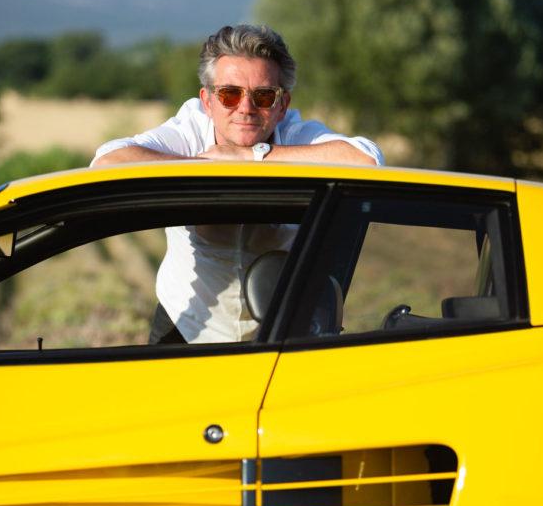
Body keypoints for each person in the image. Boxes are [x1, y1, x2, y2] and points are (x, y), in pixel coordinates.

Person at [91, 24, 384, 344]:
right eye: (229, 94)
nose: (245, 108)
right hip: (186, 323)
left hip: (282, 330)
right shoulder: (187, 131)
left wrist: (249, 155)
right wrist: (206, 165)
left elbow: (367, 161)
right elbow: (107, 161)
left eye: (263, 96)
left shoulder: (299, 135)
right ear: (207, 101)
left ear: (282, 105)